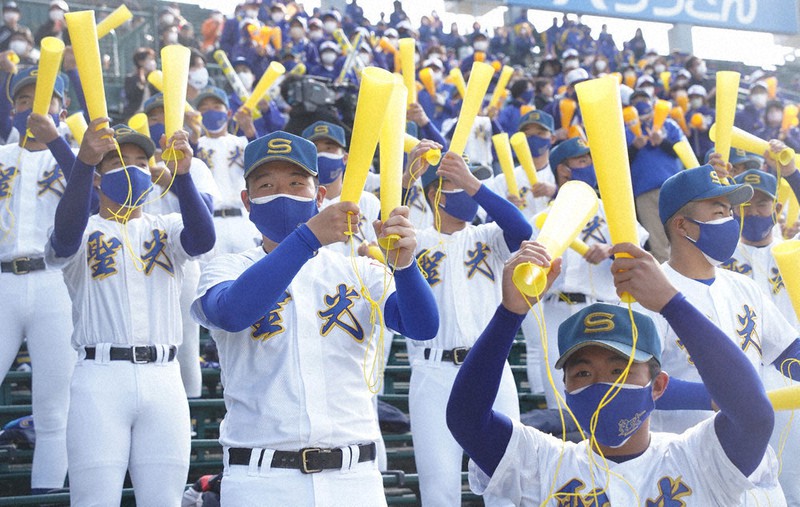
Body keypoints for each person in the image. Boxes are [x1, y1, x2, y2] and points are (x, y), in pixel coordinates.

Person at [191, 131, 438, 504]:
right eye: (267, 184)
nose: (283, 192)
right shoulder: (227, 267)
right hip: (262, 477)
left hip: (354, 477)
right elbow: (231, 312)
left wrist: (405, 267)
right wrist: (308, 238)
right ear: (247, 201)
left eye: (296, 183)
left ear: (319, 195)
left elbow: (422, 326)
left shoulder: (359, 269)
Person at [447, 240, 780, 504]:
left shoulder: (698, 458)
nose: (603, 384)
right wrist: (509, 314)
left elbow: (754, 417)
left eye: (620, 370)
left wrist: (671, 304)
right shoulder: (541, 463)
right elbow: (466, 419)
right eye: (583, 373)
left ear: (658, 385)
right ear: (565, 389)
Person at [46, 121, 215, 504]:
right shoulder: (83, 229)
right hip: (100, 377)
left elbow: (203, 238)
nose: (134, 167)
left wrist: (183, 177)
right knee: (94, 500)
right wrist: (84, 164)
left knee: (165, 501)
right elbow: (64, 237)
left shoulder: (168, 226)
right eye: (120, 161)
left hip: (164, 377)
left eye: (141, 159)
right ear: (98, 177)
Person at [648, 164, 800, 503]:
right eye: (719, 211)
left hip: (756, 470)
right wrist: (718, 396)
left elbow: (788, 351)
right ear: (682, 224)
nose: (731, 221)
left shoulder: (744, 287)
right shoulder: (650, 293)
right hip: (688, 474)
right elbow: (636, 386)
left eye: (731, 212)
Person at [405, 147, 532, 506]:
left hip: (490, 365)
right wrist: (407, 177)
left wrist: (473, 185)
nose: (467, 191)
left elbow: (522, 230)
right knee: (439, 488)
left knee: (507, 482)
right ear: (435, 194)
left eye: (471, 181)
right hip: (433, 369)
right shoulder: (416, 241)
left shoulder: (488, 235)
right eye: (456, 185)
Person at [521, 137, 647, 408]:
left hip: (604, 309)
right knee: (561, 400)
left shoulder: (611, 209)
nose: (590, 165)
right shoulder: (543, 217)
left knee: (609, 396)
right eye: (582, 160)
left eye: (590, 160)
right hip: (557, 310)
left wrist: (611, 249)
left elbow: (640, 248)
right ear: (563, 169)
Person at [0, 67, 75, 494]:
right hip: (3, 281)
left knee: (53, 409)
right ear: (14, 108)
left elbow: (96, 186)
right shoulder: (1, 155)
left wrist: (57, 141)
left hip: (54, 282)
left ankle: (45, 494)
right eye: (25, 101)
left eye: (44, 101)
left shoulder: (75, 153)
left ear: (63, 109)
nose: (33, 109)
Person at [722, 154, 800, 503]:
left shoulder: (792, 250)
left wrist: (792, 173)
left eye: (762, 203)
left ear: (776, 206)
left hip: (789, 370)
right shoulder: (718, 257)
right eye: (747, 204)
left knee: (791, 465)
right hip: (739, 370)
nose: (754, 211)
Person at [193, 86, 260, 255]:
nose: (211, 112)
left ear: (228, 113)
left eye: (216, 107)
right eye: (204, 108)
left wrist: (251, 132)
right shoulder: (194, 145)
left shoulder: (243, 142)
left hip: (243, 219)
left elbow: (261, 166)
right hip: (210, 219)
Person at [627, 96, 686, 263]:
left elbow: (683, 151)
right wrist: (634, 148)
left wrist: (663, 141)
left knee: (682, 235)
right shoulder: (626, 129)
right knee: (658, 243)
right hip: (644, 191)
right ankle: (666, 282)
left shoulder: (668, 124)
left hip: (673, 186)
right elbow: (618, 161)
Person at [122, 47, 158, 119]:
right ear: (140, 62)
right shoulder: (131, 79)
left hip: (151, 116)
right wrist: (141, 84)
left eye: (153, 59)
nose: (153, 62)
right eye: (150, 59)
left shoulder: (155, 79)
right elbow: (131, 97)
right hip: (134, 116)